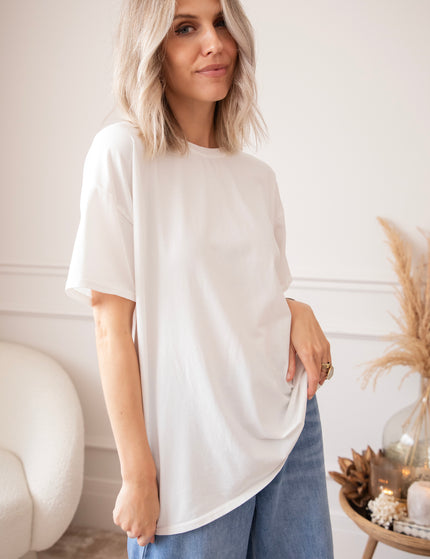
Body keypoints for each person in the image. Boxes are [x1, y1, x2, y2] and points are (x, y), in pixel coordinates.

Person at [65, 0, 335, 557]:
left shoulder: (257, 178)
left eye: (221, 23)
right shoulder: (122, 154)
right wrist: (137, 473)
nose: (214, 43)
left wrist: (296, 309)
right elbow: (111, 328)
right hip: (193, 455)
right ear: (150, 50)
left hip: (289, 428)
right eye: (185, 28)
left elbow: (243, 296)